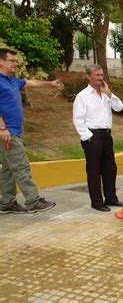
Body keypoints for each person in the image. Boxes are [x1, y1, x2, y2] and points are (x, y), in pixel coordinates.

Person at [0, 48, 58, 214]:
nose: (16, 64)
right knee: (21, 166)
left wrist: (49, 84)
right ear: (1, 61)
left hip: (15, 132)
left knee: (8, 169)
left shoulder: (12, 81)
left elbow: (30, 83)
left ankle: (7, 203)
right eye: (12, 61)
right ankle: (33, 201)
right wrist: (2, 127)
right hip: (7, 133)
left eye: (16, 61)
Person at [73, 64, 123, 212]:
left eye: (102, 75)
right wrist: (88, 137)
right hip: (92, 137)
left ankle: (111, 198)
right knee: (94, 171)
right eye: (98, 76)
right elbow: (78, 119)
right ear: (89, 76)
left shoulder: (105, 94)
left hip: (107, 136)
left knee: (110, 168)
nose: (101, 78)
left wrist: (108, 93)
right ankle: (97, 202)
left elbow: (119, 107)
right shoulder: (82, 96)